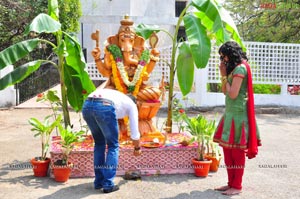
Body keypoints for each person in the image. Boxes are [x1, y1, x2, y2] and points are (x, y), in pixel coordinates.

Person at [213, 41, 261, 196]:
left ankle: (237, 186)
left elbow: (232, 94)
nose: (222, 60)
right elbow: (225, 92)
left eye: (223, 56)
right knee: (227, 152)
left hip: (239, 116)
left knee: (236, 153)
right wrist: (225, 76)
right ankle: (230, 183)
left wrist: (224, 75)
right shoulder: (233, 69)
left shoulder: (240, 68)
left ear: (230, 54)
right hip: (230, 114)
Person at [82, 82, 142, 194]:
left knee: (99, 143)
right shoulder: (131, 105)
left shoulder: (117, 96)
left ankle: (98, 182)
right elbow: (135, 132)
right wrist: (137, 147)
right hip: (104, 106)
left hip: (87, 105)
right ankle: (108, 184)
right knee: (113, 146)